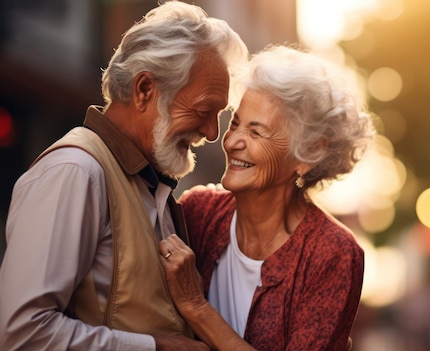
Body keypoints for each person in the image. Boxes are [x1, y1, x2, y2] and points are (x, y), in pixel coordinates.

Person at [0, 1, 248, 350]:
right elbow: (22, 334)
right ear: (145, 89)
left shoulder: (146, 180)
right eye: (203, 110)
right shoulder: (75, 171)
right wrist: (158, 347)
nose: (211, 133)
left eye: (218, 115)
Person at [159, 44, 375, 350]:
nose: (232, 141)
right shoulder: (199, 213)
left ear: (309, 153)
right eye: (235, 123)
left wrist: (196, 306)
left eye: (256, 132)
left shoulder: (332, 254)